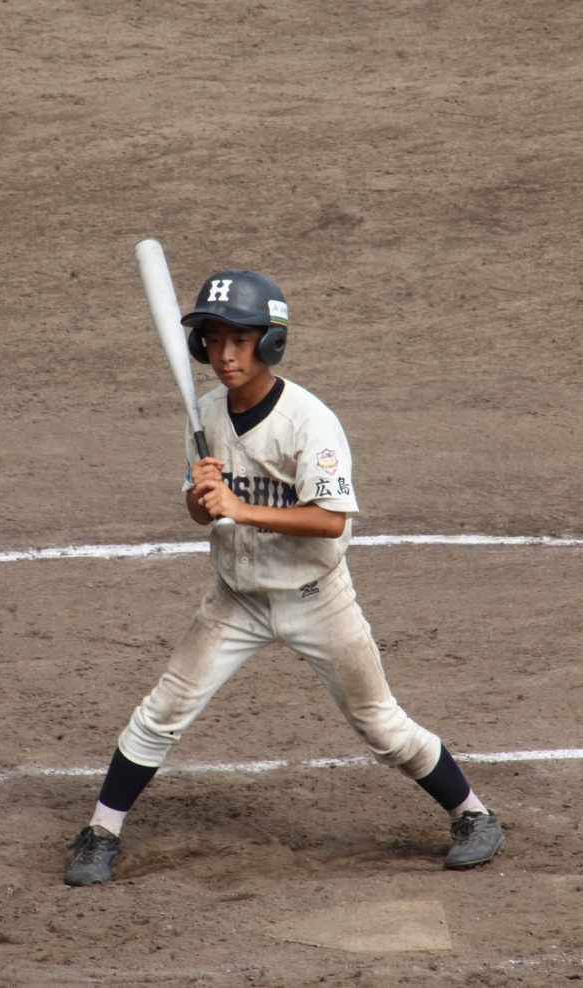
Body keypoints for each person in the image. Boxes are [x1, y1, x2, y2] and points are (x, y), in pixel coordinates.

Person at [64, 268, 505, 886]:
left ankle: (473, 815)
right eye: (214, 340)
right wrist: (202, 495)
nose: (225, 354)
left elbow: (330, 520)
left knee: (381, 726)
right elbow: (202, 512)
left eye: (240, 341)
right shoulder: (205, 413)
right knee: (161, 711)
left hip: (316, 600)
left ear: (270, 343)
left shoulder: (309, 423)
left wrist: (240, 506)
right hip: (235, 600)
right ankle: (101, 832)